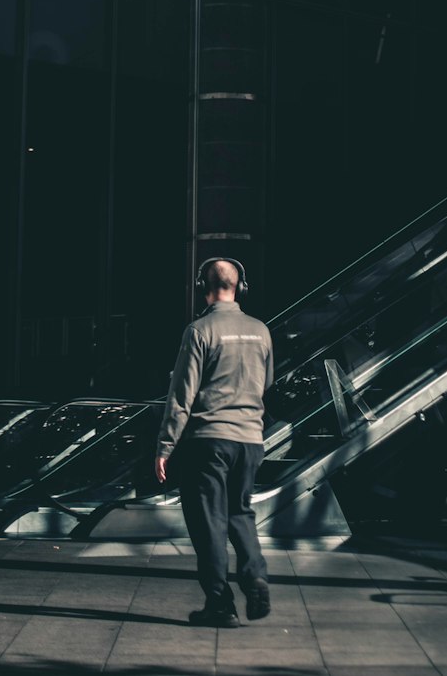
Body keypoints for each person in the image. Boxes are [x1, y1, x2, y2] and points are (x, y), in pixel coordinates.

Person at [155, 258, 274, 628]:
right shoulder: (261, 331)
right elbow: (266, 383)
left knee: (209, 523)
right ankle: (255, 574)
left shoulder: (199, 330)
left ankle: (220, 605)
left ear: (202, 286)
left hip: (208, 440)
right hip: (250, 439)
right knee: (240, 513)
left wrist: (165, 446)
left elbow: (181, 396)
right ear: (241, 286)